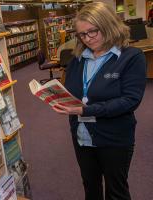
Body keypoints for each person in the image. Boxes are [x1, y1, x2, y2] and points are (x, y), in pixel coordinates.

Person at [52, 2, 146, 200]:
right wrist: (57, 98)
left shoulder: (131, 57)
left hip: (115, 137)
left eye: (92, 31)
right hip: (81, 134)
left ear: (108, 25)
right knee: (90, 186)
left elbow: (130, 101)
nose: (88, 39)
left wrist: (84, 110)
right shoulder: (77, 58)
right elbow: (72, 91)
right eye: (82, 35)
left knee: (116, 190)